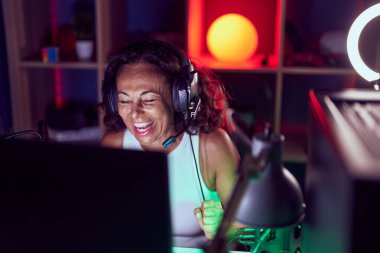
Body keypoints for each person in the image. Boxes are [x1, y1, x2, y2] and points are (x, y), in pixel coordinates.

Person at [99, 39, 241, 248]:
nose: (135, 113)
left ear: (179, 99)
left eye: (148, 100)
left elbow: (252, 224)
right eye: (124, 101)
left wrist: (227, 227)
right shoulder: (114, 146)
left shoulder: (212, 146)